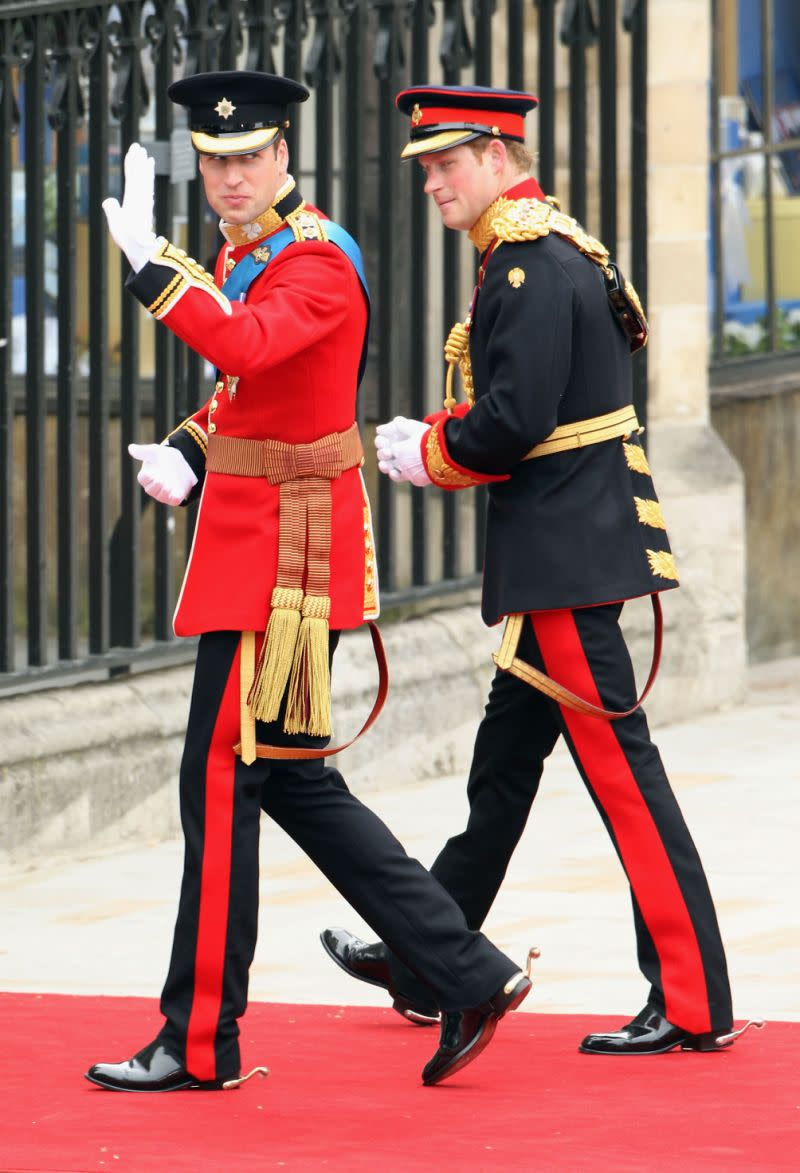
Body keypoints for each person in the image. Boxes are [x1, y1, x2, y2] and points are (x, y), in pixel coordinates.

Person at [84, 71, 533, 1093]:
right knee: (285, 780)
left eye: (248, 158)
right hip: (264, 545)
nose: (231, 177)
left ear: (284, 156)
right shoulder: (260, 256)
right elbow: (254, 390)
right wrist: (192, 452)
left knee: (219, 787)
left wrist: (155, 266)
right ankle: (463, 970)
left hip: (277, 570)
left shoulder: (317, 261)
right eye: (214, 160)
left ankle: (199, 1043)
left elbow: (247, 341)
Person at [322, 84, 763, 1056]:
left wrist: (427, 452)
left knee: (622, 780)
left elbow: (513, 423)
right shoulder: (553, 248)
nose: (430, 182)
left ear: (493, 155)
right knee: (502, 770)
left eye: (443, 163)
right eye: (425, 167)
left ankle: (692, 999)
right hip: (559, 552)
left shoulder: (525, 267)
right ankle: (428, 954)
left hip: (560, 557)